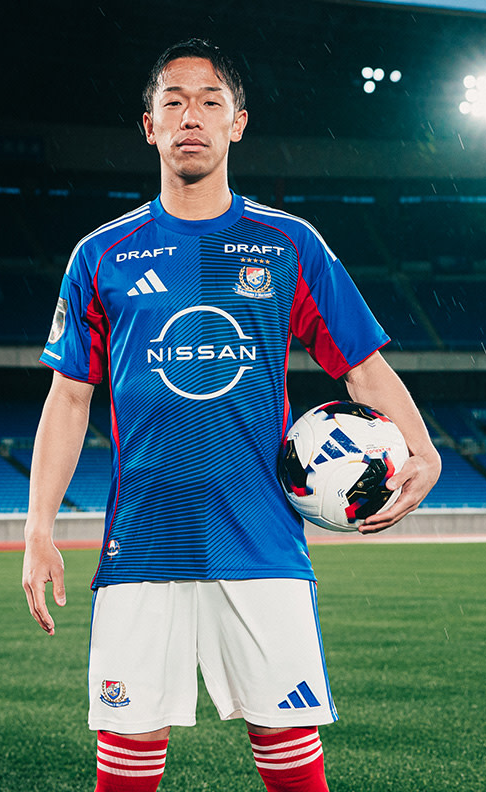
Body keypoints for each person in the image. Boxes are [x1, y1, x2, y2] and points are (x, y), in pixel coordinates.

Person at [22, 39, 441, 792]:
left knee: (288, 751)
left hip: (259, 537)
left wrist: (425, 449)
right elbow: (68, 397)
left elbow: (364, 368)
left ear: (237, 123)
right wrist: (38, 530)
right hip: (142, 542)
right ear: (148, 125)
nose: (192, 116)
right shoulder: (102, 255)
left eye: (210, 101)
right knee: (125, 757)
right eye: (173, 102)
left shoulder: (289, 246)